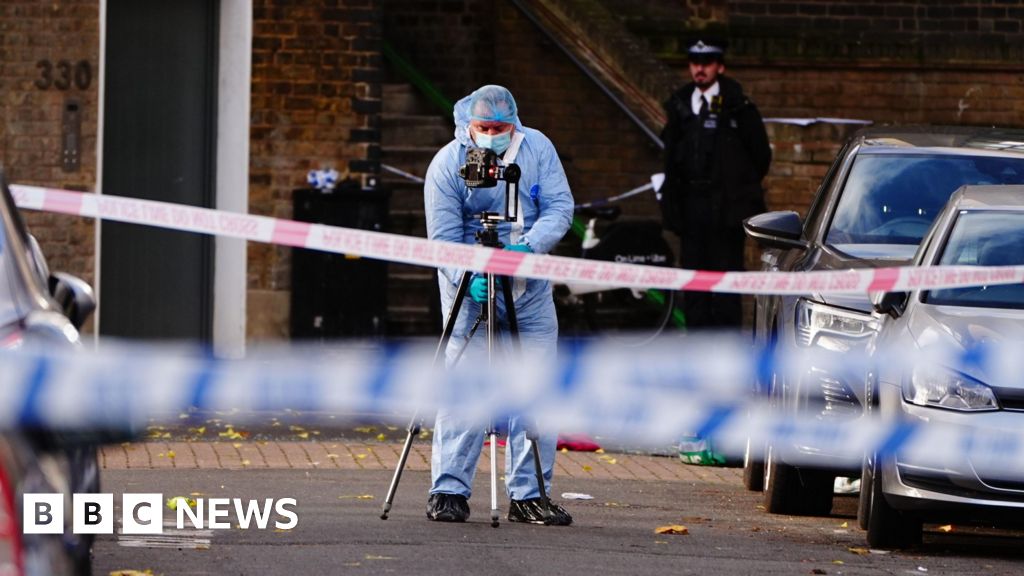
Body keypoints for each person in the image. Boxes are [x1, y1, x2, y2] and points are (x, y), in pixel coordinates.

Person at [422, 84, 574, 525]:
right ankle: (448, 489)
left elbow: (559, 207)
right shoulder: (448, 164)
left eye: (500, 129)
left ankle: (530, 494)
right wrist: (466, 277)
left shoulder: (537, 149)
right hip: (470, 290)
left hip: (529, 288)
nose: (491, 136)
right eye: (483, 128)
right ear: (467, 124)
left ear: (514, 124)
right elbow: (443, 239)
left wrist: (529, 247)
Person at [659, 38, 772, 328]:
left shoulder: (739, 107)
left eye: (706, 63)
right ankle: (698, 350)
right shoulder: (679, 106)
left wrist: (738, 190)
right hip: (691, 208)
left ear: (719, 67)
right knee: (694, 283)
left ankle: (727, 350)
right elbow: (671, 158)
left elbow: (760, 156)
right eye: (695, 63)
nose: (700, 69)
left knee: (726, 282)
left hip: (726, 210)